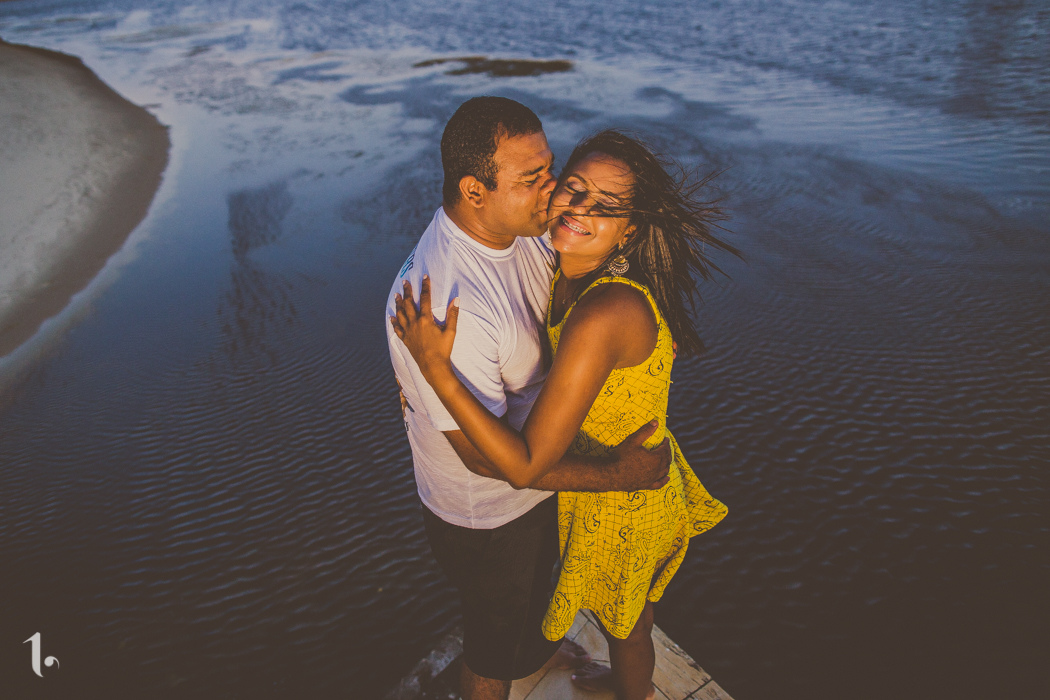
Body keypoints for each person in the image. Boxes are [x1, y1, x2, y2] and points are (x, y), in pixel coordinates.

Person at [391, 129, 735, 700]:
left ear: (632, 228)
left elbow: (524, 468)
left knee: (627, 625)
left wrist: (437, 372)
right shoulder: (566, 267)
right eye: (570, 188)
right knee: (617, 613)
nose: (577, 208)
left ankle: (635, 696)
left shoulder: (602, 311)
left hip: (628, 498)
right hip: (599, 485)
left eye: (605, 208)